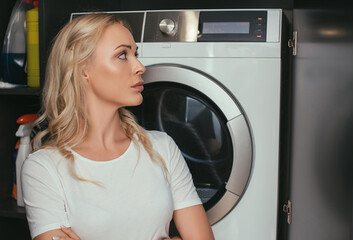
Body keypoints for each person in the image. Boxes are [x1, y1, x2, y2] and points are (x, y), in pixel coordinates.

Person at [21, 14, 214, 240]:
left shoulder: (162, 148)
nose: (140, 67)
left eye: (136, 54)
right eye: (122, 55)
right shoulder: (43, 169)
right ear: (83, 69)